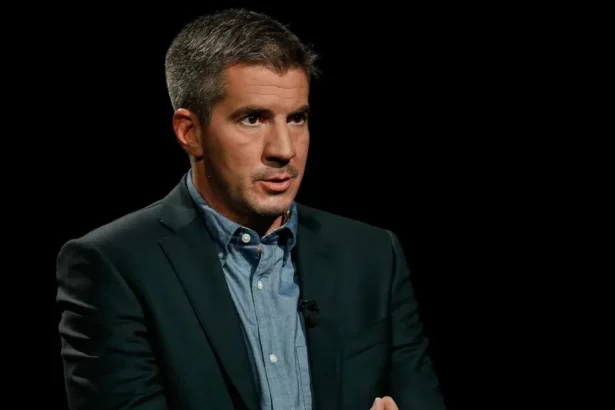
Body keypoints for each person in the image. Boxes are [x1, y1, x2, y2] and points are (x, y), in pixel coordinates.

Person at [56, 8, 446, 410]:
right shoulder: (113, 267)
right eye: (253, 118)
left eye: (296, 119)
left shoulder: (374, 256)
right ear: (190, 132)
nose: (284, 149)